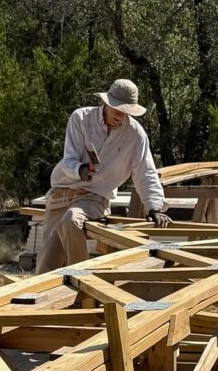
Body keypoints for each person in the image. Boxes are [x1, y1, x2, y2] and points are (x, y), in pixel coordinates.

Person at [35, 78, 171, 274]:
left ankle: (83, 284)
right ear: (106, 103)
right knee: (46, 264)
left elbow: (146, 172)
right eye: (117, 108)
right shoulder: (80, 118)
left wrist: (154, 207)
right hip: (61, 194)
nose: (120, 115)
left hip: (94, 197)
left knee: (72, 220)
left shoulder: (135, 135)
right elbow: (68, 160)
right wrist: (80, 170)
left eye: (126, 111)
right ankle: (44, 297)